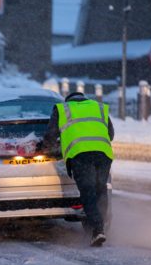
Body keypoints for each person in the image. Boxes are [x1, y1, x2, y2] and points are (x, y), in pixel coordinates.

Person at [42, 91, 114, 247]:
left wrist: (45, 148)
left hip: (80, 154)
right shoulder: (98, 107)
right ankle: (98, 228)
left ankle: (97, 229)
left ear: (68, 100)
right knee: (100, 189)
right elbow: (111, 134)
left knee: (88, 192)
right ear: (84, 98)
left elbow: (50, 136)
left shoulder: (62, 109)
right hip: (104, 154)